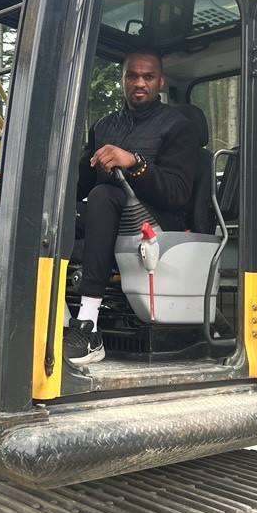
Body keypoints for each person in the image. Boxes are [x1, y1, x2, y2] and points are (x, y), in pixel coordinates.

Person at [64, 50, 199, 365]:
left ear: (160, 81)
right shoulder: (104, 126)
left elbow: (177, 194)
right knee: (51, 217)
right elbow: (79, 184)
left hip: (157, 220)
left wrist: (136, 163)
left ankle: (89, 326)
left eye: (148, 76)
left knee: (102, 195)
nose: (139, 83)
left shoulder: (178, 127)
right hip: (109, 216)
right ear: (122, 79)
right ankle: (61, 318)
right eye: (132, 76)